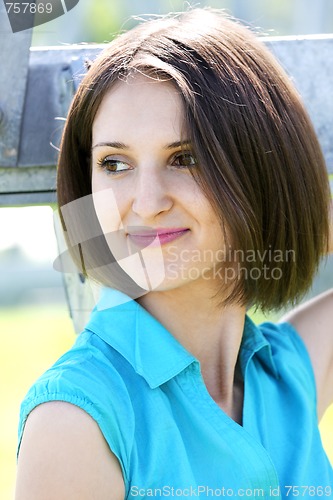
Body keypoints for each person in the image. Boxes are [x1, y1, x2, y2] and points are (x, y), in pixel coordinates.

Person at [15, 8, 333, 499]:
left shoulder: (284, 380)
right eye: (115, 163)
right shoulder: (76, 420)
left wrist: (299, 208)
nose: (145, 203)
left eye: (184, 159)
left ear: (260, 172)